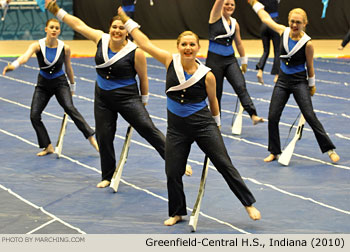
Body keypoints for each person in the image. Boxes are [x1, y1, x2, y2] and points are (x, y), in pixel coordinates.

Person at [116, 6, 261, 226]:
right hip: (176, 129)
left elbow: (213, 103)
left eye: (192, 44)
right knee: (172, 171)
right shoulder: (168, 61)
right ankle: (177, 211)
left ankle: (248, 203)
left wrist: (217, 126)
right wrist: (126, 19)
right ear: (178, 47)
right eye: (184, 44)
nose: (188, 48)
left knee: (224, 163)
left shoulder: (207, 75)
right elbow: (144, 42)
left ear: (198, 48)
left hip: (203, 125)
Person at [45, 0, 192, 188]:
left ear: (126, 32)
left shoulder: (135, 52)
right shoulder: (100, 38)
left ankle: (177, 162)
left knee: (148, 129)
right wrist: (57, 11)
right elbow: (78, 25)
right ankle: (107, 175)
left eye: (121, 28)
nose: (117, 30)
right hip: (103, 98)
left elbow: (144, 79)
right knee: (104, 136)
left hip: (128, 97)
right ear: (109, 28)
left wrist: (144, 100)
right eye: (114, 27)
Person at [247, 0, 340, 163]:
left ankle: (329, 149)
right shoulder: (283, 31)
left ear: (305, 23)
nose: (294, 24)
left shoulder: (307, 44)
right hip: (282, 81)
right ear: (288, 21)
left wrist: (312, 85)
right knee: (273, 116)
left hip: (299, 82)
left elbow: (310, 67)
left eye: (298, 22)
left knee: (310, 115)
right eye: (292, 21)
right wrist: (254, 4)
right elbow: (266, 19)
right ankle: (274, 151)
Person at [2, 18, 99, 156]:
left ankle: (92, 139)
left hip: (60, 83)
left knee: (70, 108)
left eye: (57, 28)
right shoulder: (37, 45)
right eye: (51, 27)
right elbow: (24, 58)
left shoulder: (64, 48)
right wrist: (13, 66)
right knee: (34, 116)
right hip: (43, 84)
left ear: (59, 31)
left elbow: (69, 68)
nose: (54, 30)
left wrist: (72, 86)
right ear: (46, 29)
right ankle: (47, 146)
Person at [206, 0, 264, 125]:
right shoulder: (215, 16)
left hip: (230, 60)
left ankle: (253, 114)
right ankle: (216, 121)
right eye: (227, 4)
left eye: (232, 4)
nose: (229, 6)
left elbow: (238, 43)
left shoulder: (235, 23)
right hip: (214, 61)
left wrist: (244, 61)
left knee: (240, 85)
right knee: (216, 92)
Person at [255, 0, 280, 84]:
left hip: (264, 24)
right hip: (274, 22)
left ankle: (260, 71)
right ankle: (277, 75)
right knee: (277, 50)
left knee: (266, 50)